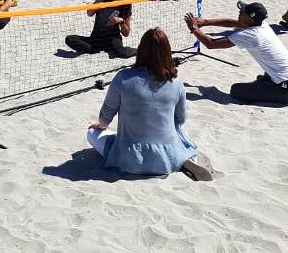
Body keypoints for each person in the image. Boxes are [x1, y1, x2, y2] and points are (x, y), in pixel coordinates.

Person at [87, 27, 212, 180]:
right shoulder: (176, 83)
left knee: (92, 133)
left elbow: (105, 117)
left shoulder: (122, 78)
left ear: (141, 50)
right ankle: (185, 159)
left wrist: (100, 126)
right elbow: (180, 120)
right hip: (167, 155)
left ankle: (171, 157)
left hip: (129, 156)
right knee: (180, 132)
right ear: (167, 52)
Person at [184, 1, 288, 105]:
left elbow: (211, 44)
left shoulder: (250, 35)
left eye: (243, 12)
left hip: (287, 91)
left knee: (236, 91)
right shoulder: (262, 25)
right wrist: (205, 22)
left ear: (249, 18)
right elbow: (232, 22)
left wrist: (194, 28)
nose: (240, 13)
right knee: (266, 74)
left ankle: (277, 92)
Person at [65, 0, 136, 58]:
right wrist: (98, 5)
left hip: (112, 39)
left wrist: (121, 21)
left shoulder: (126, 7)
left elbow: (126, 34)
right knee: (70, 39)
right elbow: (89, 13)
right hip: (96, 38)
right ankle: (95, 50)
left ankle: (138, 50)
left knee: (122, 53)